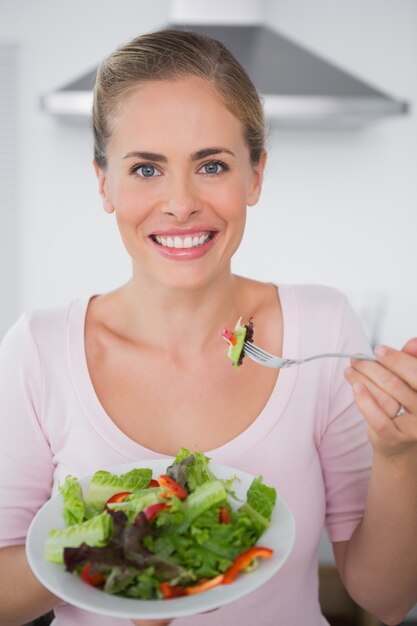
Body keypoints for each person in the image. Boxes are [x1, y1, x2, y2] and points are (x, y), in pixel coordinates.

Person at [0, 28, 416, 626]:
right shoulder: (39, 351)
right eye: (146, 169)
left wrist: (401, 457)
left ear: (255, 176)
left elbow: (387, 598)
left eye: (212, 165)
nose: (180, 203)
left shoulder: (319, 327)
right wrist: (123, 563)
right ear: (103, 183)